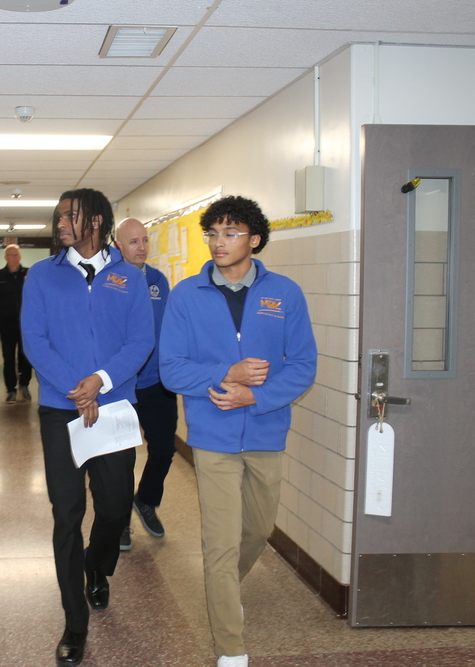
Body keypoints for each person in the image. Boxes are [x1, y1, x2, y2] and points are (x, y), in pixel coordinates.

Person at [159, 196, 317, 667]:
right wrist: (225, 374)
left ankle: (226, 590)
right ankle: (230, 645)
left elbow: (303, 365)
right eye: (212, 233)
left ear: (255, 240)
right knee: (220, 543)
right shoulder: (186, 295)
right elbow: (171, 369)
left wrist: (257, 396)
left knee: (258, 529)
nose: (218, 242)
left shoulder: (283, 294)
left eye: (230, 233)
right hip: (213, 436)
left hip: (267, 431)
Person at [21, 189, 154, 665]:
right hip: (61, 409)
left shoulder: (128, 277)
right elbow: (34, 340)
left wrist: (99, 382)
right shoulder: (41, 276)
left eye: (69, 215)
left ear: (96, 220)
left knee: (116, 505)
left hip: (114, 405)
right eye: (57, 215)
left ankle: (98, 568)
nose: (60, 223)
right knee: (67, 512)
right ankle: (74, 622)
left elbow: (141, 340)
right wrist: (75, 390)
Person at [112, 218, 177, 551]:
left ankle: (146, 500)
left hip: (156, 382)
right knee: (122, 459)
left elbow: (165, 326)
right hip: (121, 383)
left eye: (145, 240)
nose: (142, 247)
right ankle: (120, 520)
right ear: (118, 244)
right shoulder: (109, 279)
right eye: (134, 241)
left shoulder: (157, 280)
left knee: (165, 449)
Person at [0, 244, 32, 403]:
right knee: (8, 356)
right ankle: (11, 389)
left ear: (20, 256)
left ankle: (24, 385)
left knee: (25, 356)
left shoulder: (29, 274)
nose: (14, 258)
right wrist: (0, 308)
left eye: (16, 255)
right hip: (6, 323)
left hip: (26, 323)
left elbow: (38, 295)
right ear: (6, 257)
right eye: (11, 255)